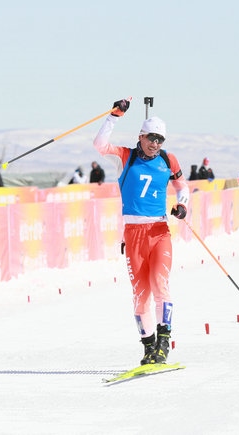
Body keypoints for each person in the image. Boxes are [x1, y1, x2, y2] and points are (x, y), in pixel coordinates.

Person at [93, 98, 189, 366]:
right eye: (151, 138)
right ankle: (148, 348)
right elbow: (100, 146)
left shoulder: (169, 159)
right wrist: (114, 116)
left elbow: (183, 188)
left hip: (159, 231)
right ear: (141, 136)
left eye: (160, 139)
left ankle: (163, 342)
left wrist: (182, 205)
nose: (155, 144)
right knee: (141, 294)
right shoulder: (126, 157)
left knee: (161, 285)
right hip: (133, 233)